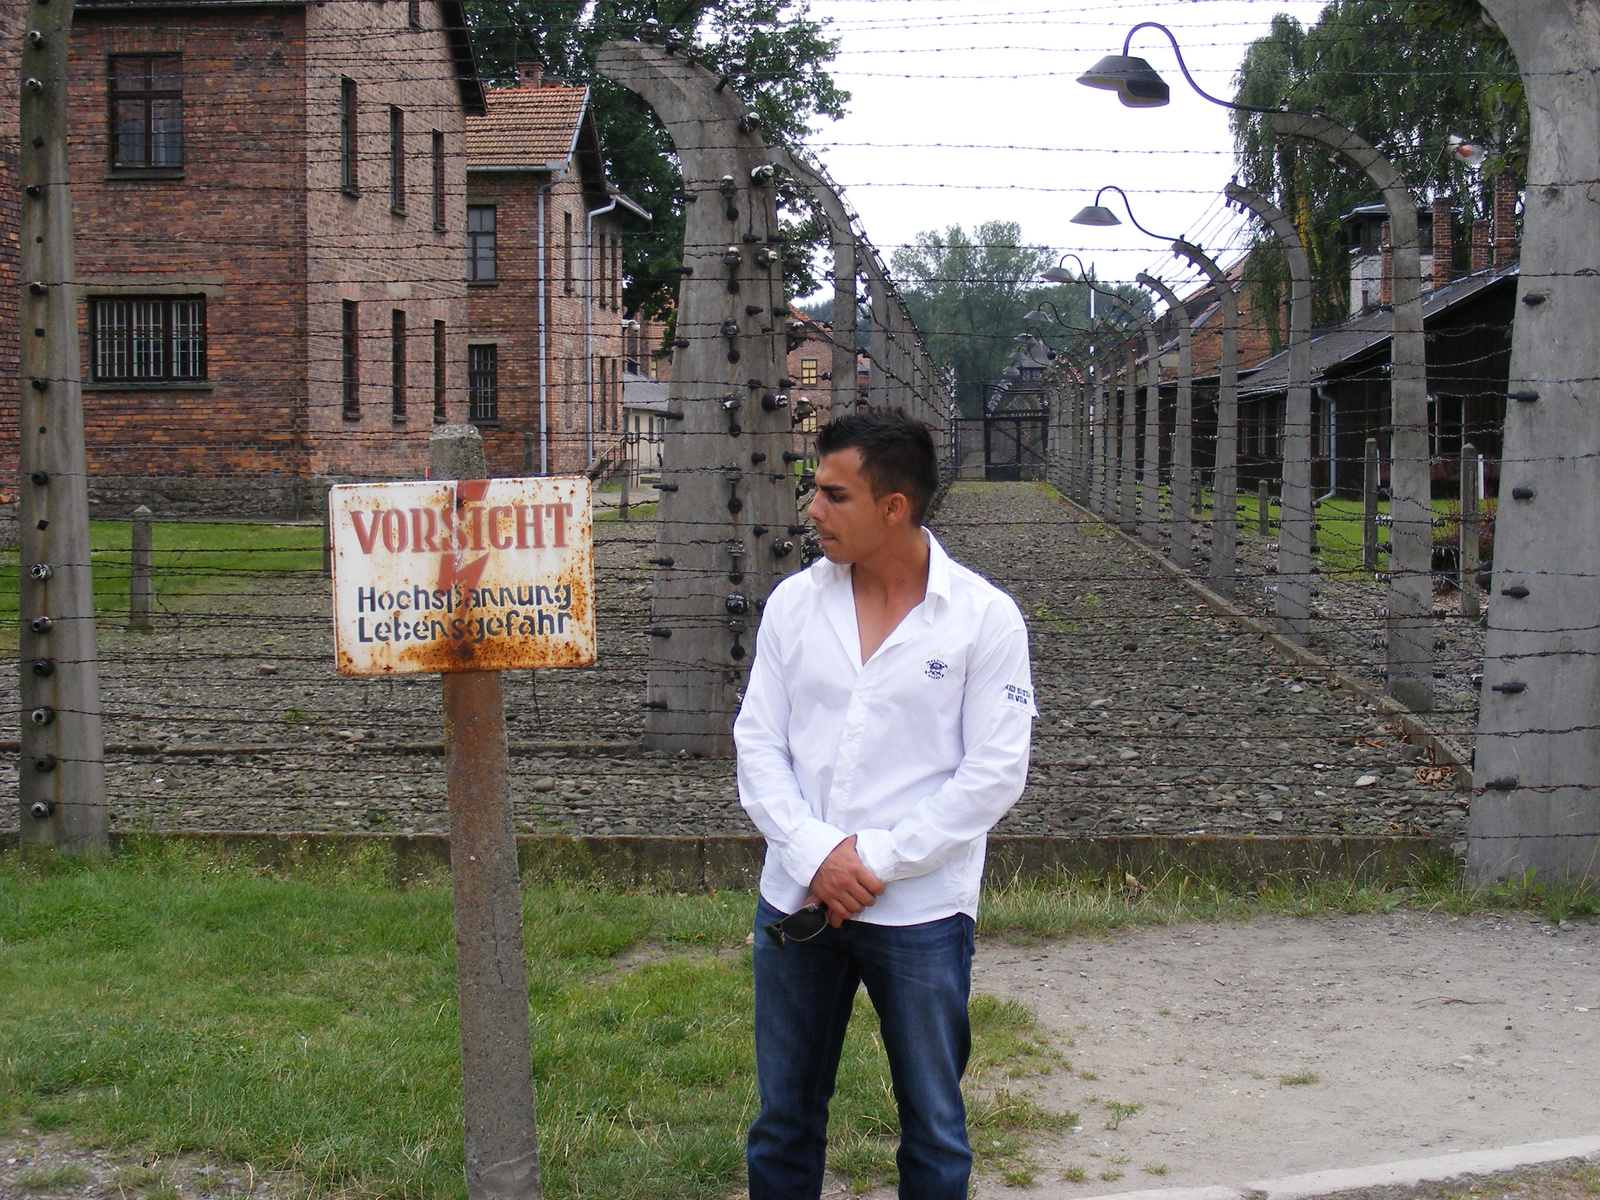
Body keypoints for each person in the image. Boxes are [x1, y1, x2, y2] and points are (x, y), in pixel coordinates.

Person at [734, 408, 1038, 1200]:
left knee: (934, 1129)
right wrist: (816, 856)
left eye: (833, 494)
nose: (812, 508)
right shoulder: (795, 605)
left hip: (922, 914)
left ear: (893, 507)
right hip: (799, 902)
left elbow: (995, 772)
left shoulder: (982, 619)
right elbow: (758, 745)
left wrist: (873, 861)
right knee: (784, 1122)